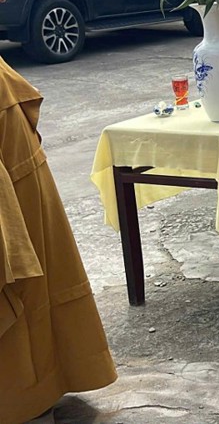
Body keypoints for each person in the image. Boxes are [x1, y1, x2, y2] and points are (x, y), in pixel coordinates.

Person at [0, 57, 117, 423]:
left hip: (26, 186)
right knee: (23, 291)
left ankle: (50, 381)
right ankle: (22, 400)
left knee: (46, 285)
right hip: (9, 200)